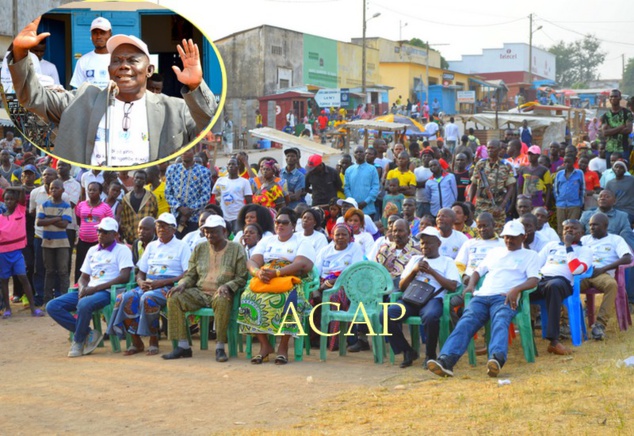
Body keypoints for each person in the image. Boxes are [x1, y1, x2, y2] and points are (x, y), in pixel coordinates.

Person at [9, 18, 217, 165]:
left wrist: (195, 86)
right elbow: (33, 97)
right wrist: (19, 52)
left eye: (132, 60)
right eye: (116, 61)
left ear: (149, 70)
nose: (123, 66)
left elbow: (210, 125)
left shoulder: (175, 109)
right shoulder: (81, 100)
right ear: (109, 70)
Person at [428, 220, 540, 378]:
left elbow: (534, 280)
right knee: (466, 321)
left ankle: (496, 359)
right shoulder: (495, 252)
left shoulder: (530, 255)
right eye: (506, 237)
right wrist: (471, 285)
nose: (509, 240)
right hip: (481, 296)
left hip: (504, 297)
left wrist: (516, 289)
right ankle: (446, 361)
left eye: (513, 237)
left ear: (524, 237)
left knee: (500, 320)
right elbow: (477, 272)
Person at [162, 215, 248, 361]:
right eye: (206, 231)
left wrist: (227, 286)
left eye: (214, 231)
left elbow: (241, 277)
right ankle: (183, 346)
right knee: (174, 297)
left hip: (222, 293)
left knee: (222, 299)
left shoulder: (236, 249)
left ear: (224, 232)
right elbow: (191, 275)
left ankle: (220, 347)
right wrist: (182, 284)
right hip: (199, 292)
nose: (209, 235)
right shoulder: (199, 248)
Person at [238, 207, 316, 365]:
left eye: (284, 222)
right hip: (266, 277)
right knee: (248, 298)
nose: (280, 225)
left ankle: (283, 347)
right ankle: (265, 345)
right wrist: (257, 272)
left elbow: (301, 263)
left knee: (290, 300)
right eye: (277, 222)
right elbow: (252, 261)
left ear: (293, 225)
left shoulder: (301, 241)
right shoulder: (267, 240)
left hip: (289, 279)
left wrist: (278, 273)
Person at [46, 217, 133, 357]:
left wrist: (94, 289)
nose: (100, 234)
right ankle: (88, 333)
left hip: (107, 291)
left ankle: (78, 341)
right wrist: (82, 289)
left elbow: (124, 276)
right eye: (99, 231)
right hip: (89, 289)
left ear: (115, 235)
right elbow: (84, 277)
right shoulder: (92, 250)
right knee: (52, 306)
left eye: (105, 232)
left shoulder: (122, 250)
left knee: (85, 304)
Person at [108, 213, 191, 356]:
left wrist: (163, 282)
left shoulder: (182, 246)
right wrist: (140, 282)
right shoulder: (152, 246)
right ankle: (136, 341)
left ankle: (153, 340)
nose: (160, 229)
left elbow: (187, 273)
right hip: (149, 283)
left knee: (148, 298)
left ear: (173, 229)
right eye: (158, 226)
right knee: (123, 298)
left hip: (170, 286)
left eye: (164, 226)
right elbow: (141, 271)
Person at [384, 226, 460, 368]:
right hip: (411, 299)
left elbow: (453, 286)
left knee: (431, 316)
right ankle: (407, 351)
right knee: (386, 315)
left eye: (428, 243)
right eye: (422, 243)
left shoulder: (447, 261)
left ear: (438, 244)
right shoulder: (415, 259)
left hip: (433, 300)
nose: (424, 246)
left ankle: (430, 355)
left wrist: (431, 272)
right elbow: (402, 286)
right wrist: (414, 271)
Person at [530, 219, 593, 355]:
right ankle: (527, 335)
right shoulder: (551, 245)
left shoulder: (584, 250)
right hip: (542, 280)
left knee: (554, 286)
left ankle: (553, 341)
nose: (569, 230)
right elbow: (535, 264)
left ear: (582, 232)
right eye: (566, 228)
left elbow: (576, 270)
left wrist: (568, 246)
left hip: (562, 283)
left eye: (574, 228)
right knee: (521, 291)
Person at [310, 223, 365, 349]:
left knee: (334, 298)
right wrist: (319, 287)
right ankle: (314, 338)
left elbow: (355, 271)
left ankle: (334, 342)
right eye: (337, 234)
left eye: (344, 234)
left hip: (346, 284)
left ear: (349, 236)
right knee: (310, 298)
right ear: (332, 236)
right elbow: (316, 271)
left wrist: (334, 282)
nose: (340, 237)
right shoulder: (326, 250)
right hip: (324, 283)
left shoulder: (354, 248)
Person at [580, 213, 632, 340]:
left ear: (605, 226)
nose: (591, 227)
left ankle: (599, 325)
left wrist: (604, 268)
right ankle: (566, 323)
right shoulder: (584, 240)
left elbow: (627, 257)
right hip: (584, 274)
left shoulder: (616, 239)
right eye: (590, 225)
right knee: (565, 285)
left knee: (611, 285)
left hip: (602, 274)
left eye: (595, 225)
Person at [0, 188, 43, 318]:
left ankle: (33, 309)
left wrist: (8, 188)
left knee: (23, 278)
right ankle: (7, 309)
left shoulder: (20, 210)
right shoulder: (1, 217)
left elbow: (22, 190)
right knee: (4, 281)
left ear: (16, 201)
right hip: (2, 254)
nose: (9, 201)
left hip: (17, 253)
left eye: (12, 199)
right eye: (7, 199)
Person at [35, 179, 72, 305]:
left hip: (62, 243)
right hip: (47, 243)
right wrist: (57, 218)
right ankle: (47, 300)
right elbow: (39, 222)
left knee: (63, 271)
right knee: (49, 271)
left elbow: (64, 224)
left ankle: (66, 300)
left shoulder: (66, 206)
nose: (53, 190)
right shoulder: (44, 204)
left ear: (63, 190)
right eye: (51, 188)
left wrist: (48, 219)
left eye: (56, 188)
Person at [469, 140, 516, 233]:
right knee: (480, 232)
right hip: (481, 205)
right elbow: (473, 184)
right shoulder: (480, 164)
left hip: (497, 205)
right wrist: (470, 203)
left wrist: (502, 206)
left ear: (499, 149)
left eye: (493, 148)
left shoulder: (506, 165)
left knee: (497, 233)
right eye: (488, 148)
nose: (490, 150)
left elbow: (511, 187)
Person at [165, 148, 212, 237]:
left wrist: (189, 211)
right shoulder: (172, 170)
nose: (184, 153)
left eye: (187, 151)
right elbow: (168, 193)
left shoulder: (203, 171)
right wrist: (180, 208)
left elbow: (205, 196)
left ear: (193, 152)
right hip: (175, 217)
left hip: (194, 218)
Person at [74, 182, 113, 283]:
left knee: (95, 265)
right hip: (82, 241)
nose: (91, 192)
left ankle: (93, 285)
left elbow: (110, 223)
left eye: (94, 190)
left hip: (98, 242)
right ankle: (78, 286)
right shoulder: (81, 205)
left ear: (100, 192)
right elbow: (79, 218)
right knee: (80, 265)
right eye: (89, 190)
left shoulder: (105, 207)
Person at [69, 17, 112, 89]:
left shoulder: (118, 59)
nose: (98, 36)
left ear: (110, 34)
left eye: (102, 33)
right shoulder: (83, 61)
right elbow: (79, 90)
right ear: (91, 36)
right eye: (95, 33)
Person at [212, 158, 253, 232]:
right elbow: (214, 195)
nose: (231, 166)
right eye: (229, 164)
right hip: (224, 217)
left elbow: (249, 201)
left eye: (233, 164)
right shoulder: (221, 181)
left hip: (238, 217)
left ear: (238, 166)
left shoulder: (244, 182)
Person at [119, 170, 158, 244]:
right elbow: (123, 219)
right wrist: (129, 233)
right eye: (137, 178)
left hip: (148, 239)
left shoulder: (151, 197)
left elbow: (155, 216)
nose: (139, 180)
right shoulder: (126, 198)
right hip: (131, 239)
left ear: (145, 181)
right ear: (133, 179)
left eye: (141, 178)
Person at [344, 146, 380, 219]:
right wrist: (353, 202)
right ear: (353, 155)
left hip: (368, 209)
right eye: (356, 152)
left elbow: (375, 187)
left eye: (361, 152)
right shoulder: (349, 170)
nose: (359, 154)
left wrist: (366, 202)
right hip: (353, 209)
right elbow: (346, 188)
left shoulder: (372, 169)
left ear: (365, 154)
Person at [553, 155, 585, 236]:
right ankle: (562, 244)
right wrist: (558, 200)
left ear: (574, 162)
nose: (567, 164)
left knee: (573, 227)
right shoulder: (559, 174)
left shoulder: (579, 173)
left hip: (574, 204)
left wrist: (580, 203)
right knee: (561, 228)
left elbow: (582, 189)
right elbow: (556, 189)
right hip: (561, 204)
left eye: (569, 162)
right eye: (565, 162)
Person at [601, 89, 633, 163]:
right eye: (611, 96)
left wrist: (611, 130)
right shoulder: (606, 115)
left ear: (620, 98)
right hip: (610, 149)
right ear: (609, 98)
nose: (613, 98)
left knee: (624, 172)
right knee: (610, 173)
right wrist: (621, 127)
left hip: (623, 149)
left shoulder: (627, 113)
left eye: (615, 96)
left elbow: (628, 130)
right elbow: (605, 133)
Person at [414, 149, 433, 217]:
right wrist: (430, 180)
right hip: (420, 201)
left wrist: (423, 184)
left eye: (429, 156)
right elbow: (416, 185)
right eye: (424, 156)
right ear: (421, 158)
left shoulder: (435, 170)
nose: (426, 158)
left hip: (432, 202)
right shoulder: (417, 170)